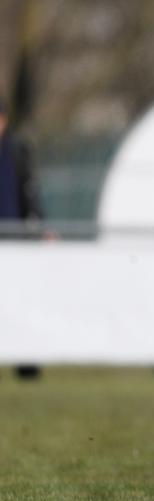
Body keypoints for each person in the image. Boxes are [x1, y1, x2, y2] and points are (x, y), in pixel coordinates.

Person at [0, 97, 44, 382]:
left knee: (19, 301)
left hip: (14, 240)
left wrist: (41, 223)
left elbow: (30, 192)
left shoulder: (16, 151)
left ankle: (27, 364)